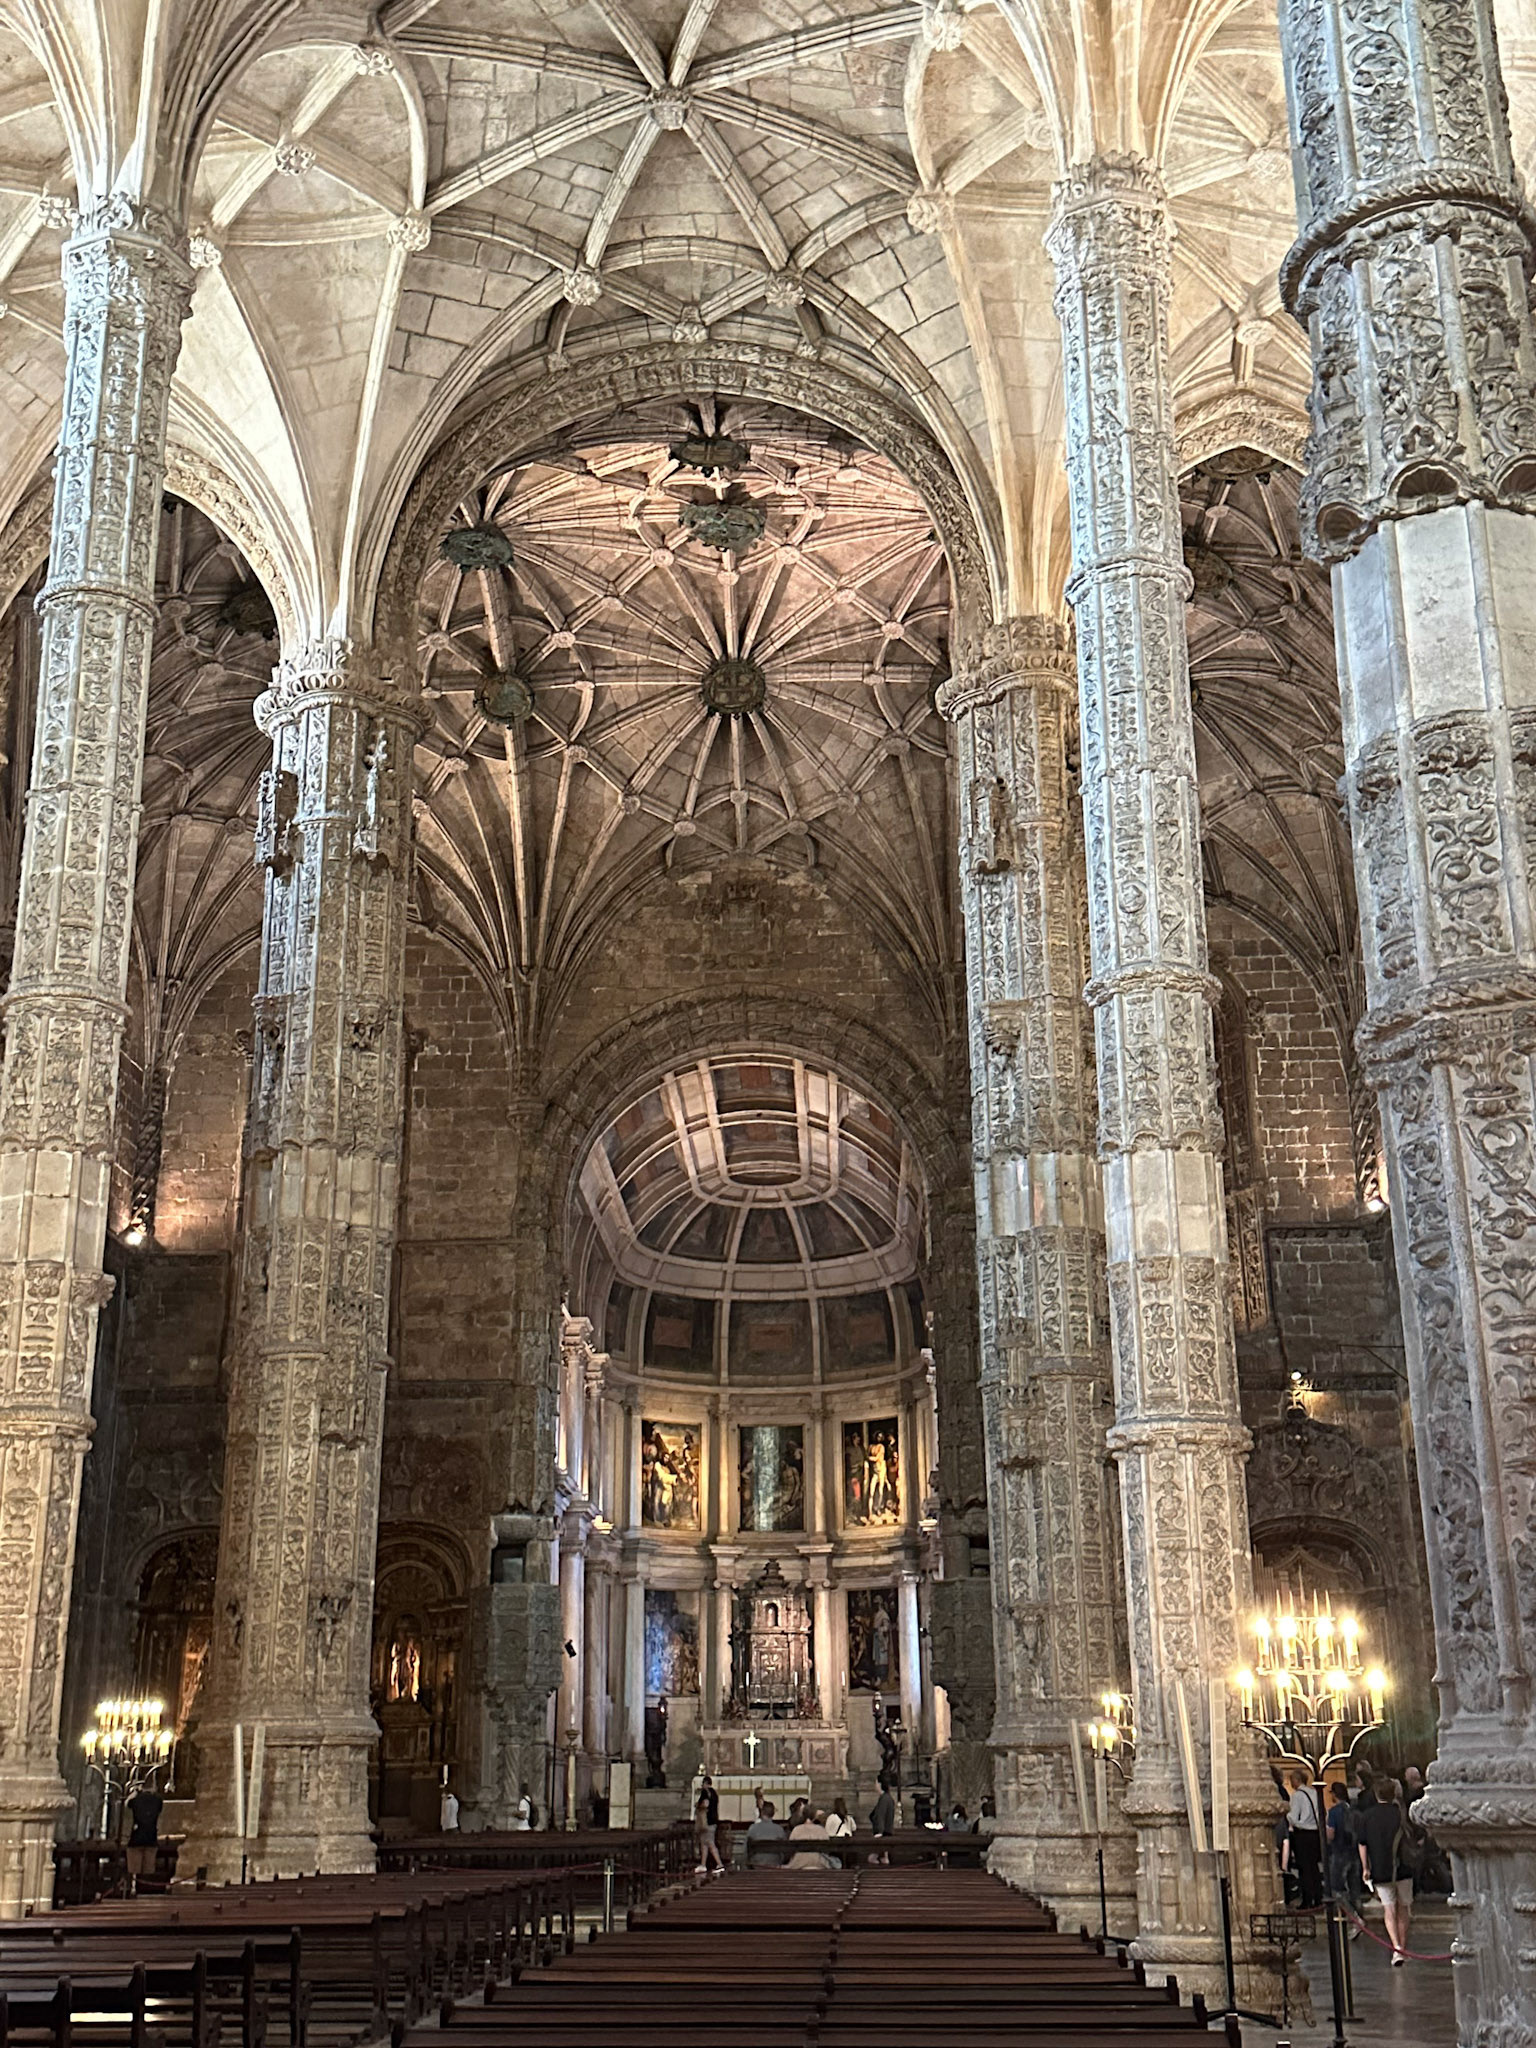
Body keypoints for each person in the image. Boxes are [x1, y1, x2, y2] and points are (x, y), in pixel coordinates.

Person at [1358, 1776, 1416, 1965]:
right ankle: (1403, 1948)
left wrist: (1365, 1867)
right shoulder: (1401, 1813)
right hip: (1403, 1866)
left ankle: (1396, 1947)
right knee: (1403, 1907)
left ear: (1376, 1794)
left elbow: (1362, 1844)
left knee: (1389, 1908)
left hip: (1380, 1868)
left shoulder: (1367, 1816)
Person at [1282, 1768, 1325, 1909]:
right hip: (1315, 1833)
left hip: (1302, 1834)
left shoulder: (1297, 1796)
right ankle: (1318, 1897)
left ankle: (1307, 1899)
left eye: (1292, 1780)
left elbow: (1293, 1816)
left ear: (1297, 1780)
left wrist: (1286, 1814)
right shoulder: (1314, 1793)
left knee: (1304, 1868)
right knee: (1313, 1867)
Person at [1324, 1780, 1362, 1920]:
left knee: (1337, 1888)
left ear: (1334, 1794)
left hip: (1339, 1852)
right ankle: (1359, 1915)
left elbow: (1331, 1834)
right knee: (1355, 1889)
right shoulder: (1354, 1811)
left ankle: (1353, 1917)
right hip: (1354, 1852)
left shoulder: (1333, 1812)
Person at [125, 1785, 163, 1893]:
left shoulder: (136, 1799)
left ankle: (133, 1890)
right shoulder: (158, 1800)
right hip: (151, 1838)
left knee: (134, 1870)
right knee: (148, 1871)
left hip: (136, 1838)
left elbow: (127, 1804)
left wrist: (134, 1793)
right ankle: (146, 1891)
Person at [694, 1775, 724, 1874]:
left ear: (706, 1783)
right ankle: (703, 1865)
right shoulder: (714, 1793)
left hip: (707, 1821)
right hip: (713, 1820)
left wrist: (698, 1805)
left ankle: (720, 1864)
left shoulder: (705, 1792)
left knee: (710, 1844)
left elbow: (705, 1804)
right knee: (704, 1844)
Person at [746, 1799, 787, 1867]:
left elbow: (746, 1850)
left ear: (762, 1812)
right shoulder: (779, 1829)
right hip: (774, 1863)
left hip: (756, 1864)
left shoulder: (753, 1828)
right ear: (773, 1813)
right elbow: (785, 1850)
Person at [869, 1777, 896, 1865]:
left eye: (876, 1783)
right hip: (884, 1831)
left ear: (880, 1784)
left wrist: (879, 1831)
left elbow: (881, 1815)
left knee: (874, 1858)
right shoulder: (885, 1798)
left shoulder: (884, 1799)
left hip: (883, 1832)